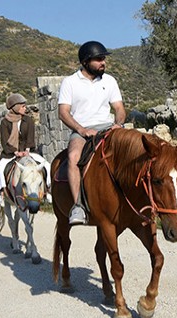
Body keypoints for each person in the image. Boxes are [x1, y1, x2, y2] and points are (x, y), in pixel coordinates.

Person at [57, 40, 126, 225]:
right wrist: (81, 129)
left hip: (109, 127)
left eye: (104, 58)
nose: (103, 62)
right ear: (86, 61)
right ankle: (78, 206)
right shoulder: (70, 82)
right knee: (72, 157)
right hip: (82, 129)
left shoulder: (110, 80)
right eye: (99, 59)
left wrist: (118, 124)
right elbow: (63, 112)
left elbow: (119, 108)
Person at [0, 93, 36, 206]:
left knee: (45, 165)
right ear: (15, 107)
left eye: (25, 106)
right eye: (22, 106)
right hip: (10, 154)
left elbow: (30, 137)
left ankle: (46, 192)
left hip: (27, 152)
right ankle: (0, 195)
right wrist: (15, 152)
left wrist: (26, 150)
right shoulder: (5, 122)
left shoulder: (29, 120)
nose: (25, 108)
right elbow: (4, 140)